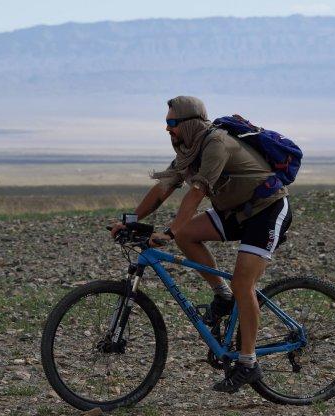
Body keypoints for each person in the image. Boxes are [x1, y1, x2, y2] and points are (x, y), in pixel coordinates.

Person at [109, 96, 292, 393]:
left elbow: (196, 193)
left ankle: (248, 363)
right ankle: (222, 295)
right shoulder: (188, 149)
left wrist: (168, 231)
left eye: (172, 123)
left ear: (190, 123)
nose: (167, 129)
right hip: (235, 211)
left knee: (244, 284)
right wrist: (129, 219)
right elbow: (164, 187)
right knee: (187, 236)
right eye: (166, 123)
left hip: (267, 209)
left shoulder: (215, 144)